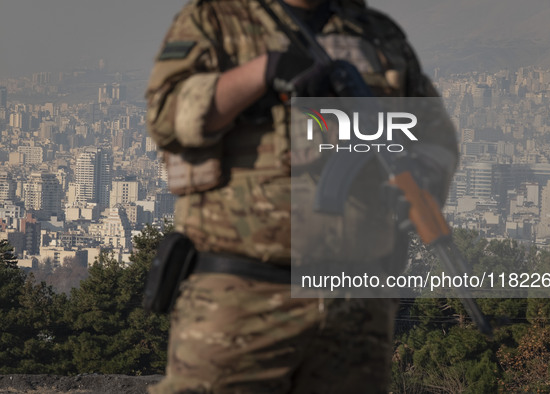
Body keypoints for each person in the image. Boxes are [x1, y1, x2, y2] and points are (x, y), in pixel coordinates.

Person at [145, 0, 458, 392]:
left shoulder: (376, 34)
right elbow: (166, 116)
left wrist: (423, 176)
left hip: (356, 307)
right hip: (242, 295)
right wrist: (263, 71)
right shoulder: (217, 19)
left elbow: (435, 134)